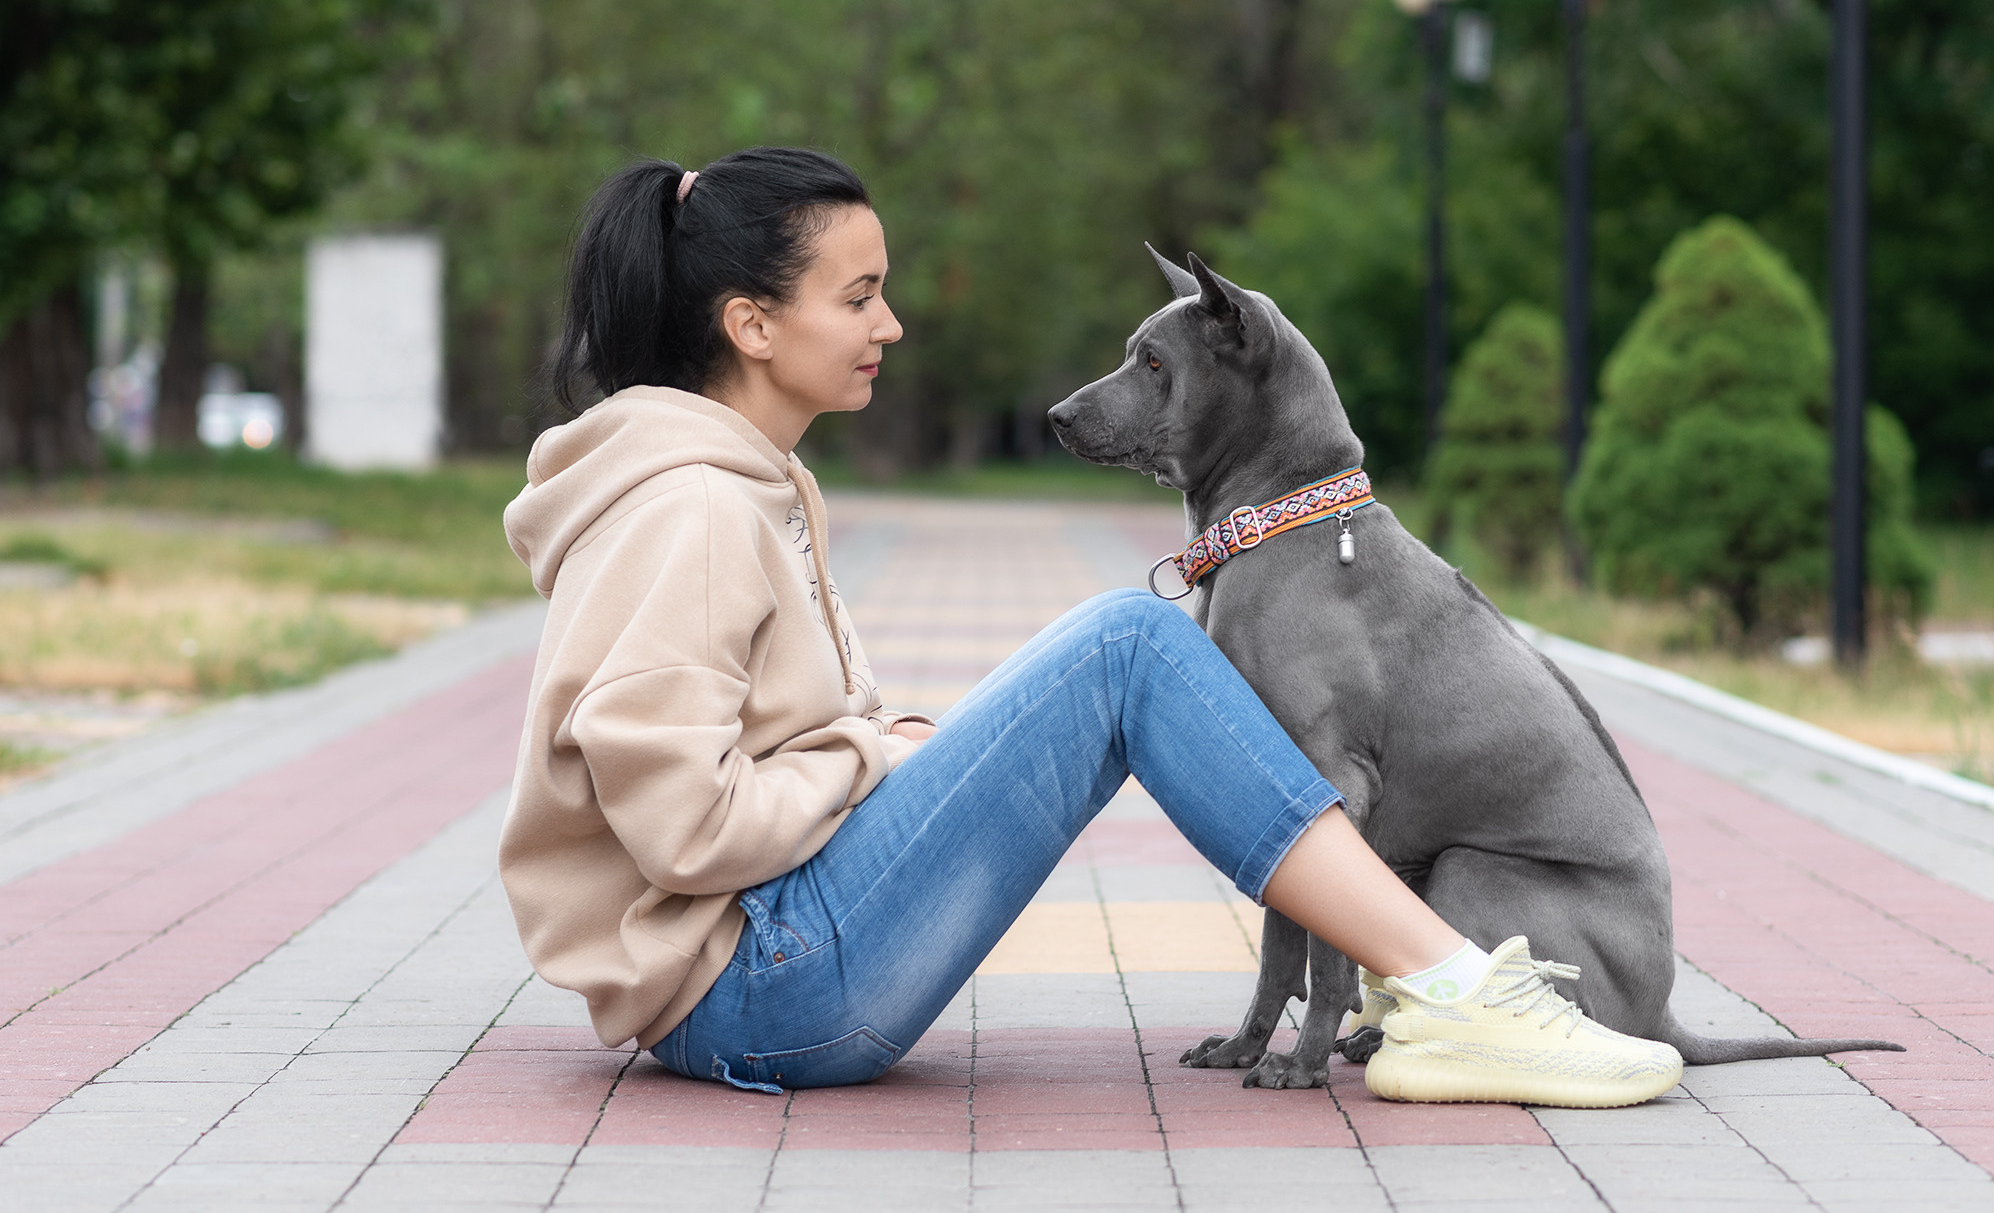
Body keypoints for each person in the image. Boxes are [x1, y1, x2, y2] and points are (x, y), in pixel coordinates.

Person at [499, 147, 1682, 1109]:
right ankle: (1460, 993)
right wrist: (874, 756)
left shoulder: (747, 481)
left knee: (1120, 645)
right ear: (752, 326)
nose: (891, 324)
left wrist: (875, 749)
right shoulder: (696, 505)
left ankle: (1445, 987)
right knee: (1129, 642)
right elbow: (683, 829)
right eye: (858, 297)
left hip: (765, 967)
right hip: (760, 991)